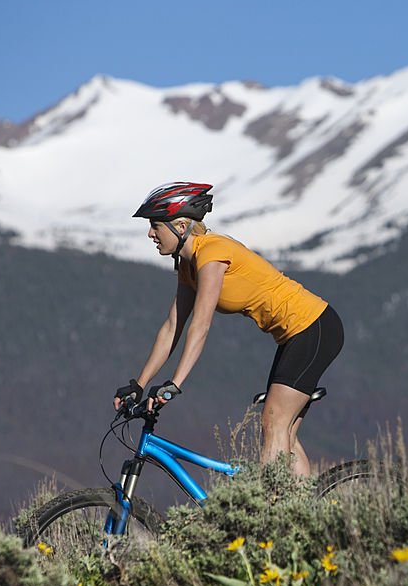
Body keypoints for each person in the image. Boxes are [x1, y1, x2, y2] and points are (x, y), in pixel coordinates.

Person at [112, 182, 344, 475]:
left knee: (273, 420)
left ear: (181, 225)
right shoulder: (187, 266)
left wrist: (175, 384)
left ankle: (274, 512)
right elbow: (173, 326)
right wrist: (139, 384)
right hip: (294, 335)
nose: (150, 234)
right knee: (281, 433)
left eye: (155, 226)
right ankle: (300, 513)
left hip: (314, 327)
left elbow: (201, 324)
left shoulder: (212, 254)